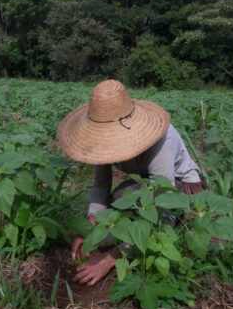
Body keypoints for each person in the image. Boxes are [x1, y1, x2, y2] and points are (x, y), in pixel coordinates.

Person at [56, 79, 203, 286]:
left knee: (143, 217)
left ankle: (140, 239)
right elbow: (101, 183)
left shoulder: (162, 141)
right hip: (145, 183)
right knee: (117, 203)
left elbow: (164, 208)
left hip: (178, 186)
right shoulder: (100, 142)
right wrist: (90, 227)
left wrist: (110, 259)